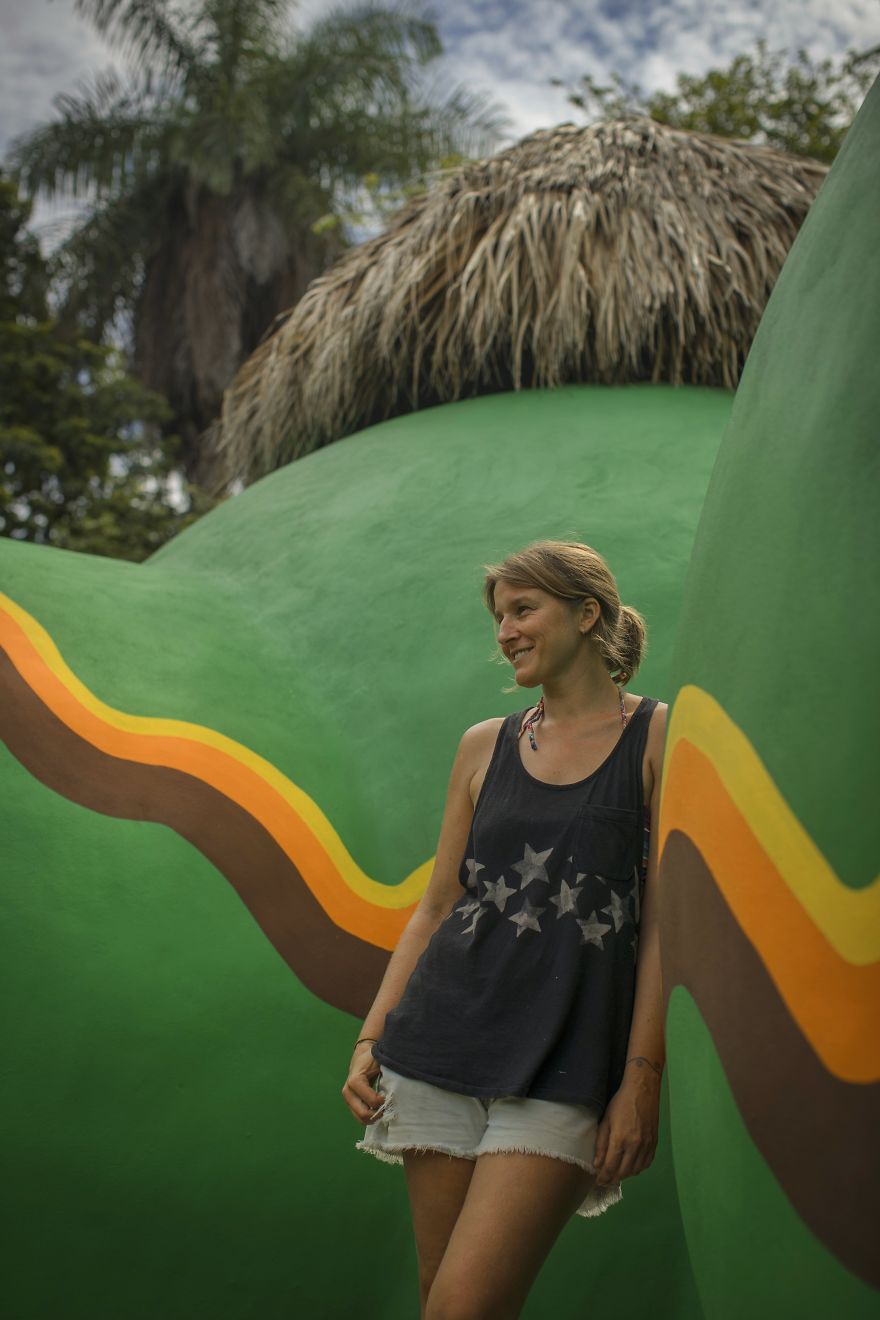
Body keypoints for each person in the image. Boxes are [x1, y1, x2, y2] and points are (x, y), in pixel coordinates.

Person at [341, 539, 667, 1320]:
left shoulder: (657, 738)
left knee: (466, 1307)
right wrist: (369, 1036)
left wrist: (641, 1077)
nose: (505, 632)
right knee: (440, 1301)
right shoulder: (483, 745)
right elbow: (436, 906)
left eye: (524, 610)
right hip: (440, 1042)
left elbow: (663, 925)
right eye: (499, 616)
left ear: (588, 614)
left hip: (567, 1062)